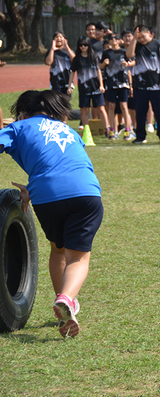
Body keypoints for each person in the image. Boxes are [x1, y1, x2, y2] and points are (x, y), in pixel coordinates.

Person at [0, 90, 103, 338]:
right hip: (85, 193)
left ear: (22, 114)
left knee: (58, 249)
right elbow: (62, 161)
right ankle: (66, 300)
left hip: (46, 198)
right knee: (78, 258)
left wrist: (34, 187)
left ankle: (65, 306)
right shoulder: (67, 129)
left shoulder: (19, 127)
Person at [126, 25, 160, 144]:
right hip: (140, 85)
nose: (142, 40)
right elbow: (129, 55)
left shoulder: (157, 45)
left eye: (143, 37)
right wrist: (134, 39)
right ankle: (140, 136)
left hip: (156, 85)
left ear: (149, 33)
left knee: (159, 111)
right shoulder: (136, 45)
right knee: (140, 112)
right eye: (139, 38)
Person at [67, 36, 110, 137]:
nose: (83, 47)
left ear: (89, 46)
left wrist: (101, 85)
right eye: (81, 45)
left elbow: (98, 70)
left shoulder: (94, 56)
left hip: (95, 87)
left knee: (101, 108)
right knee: (85, 110)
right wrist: (70, 86)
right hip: (83, 88)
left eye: (85, 45)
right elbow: (72, 72)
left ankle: (107, 129)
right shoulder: (77, 59)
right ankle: (87, 131)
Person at [100, 34, 134, 140]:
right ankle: (112, 131)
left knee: (124, 106)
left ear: (120, 41)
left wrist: (128, 65)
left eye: (116, 38)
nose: (113, 40)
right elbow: (99, 67)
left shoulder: (124, 52)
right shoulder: (106, 53)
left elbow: (133, 62)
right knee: (111, 106)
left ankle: (128, 130)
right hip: (111, 83)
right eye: (111, 39)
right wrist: (104, 64)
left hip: (123, 82)